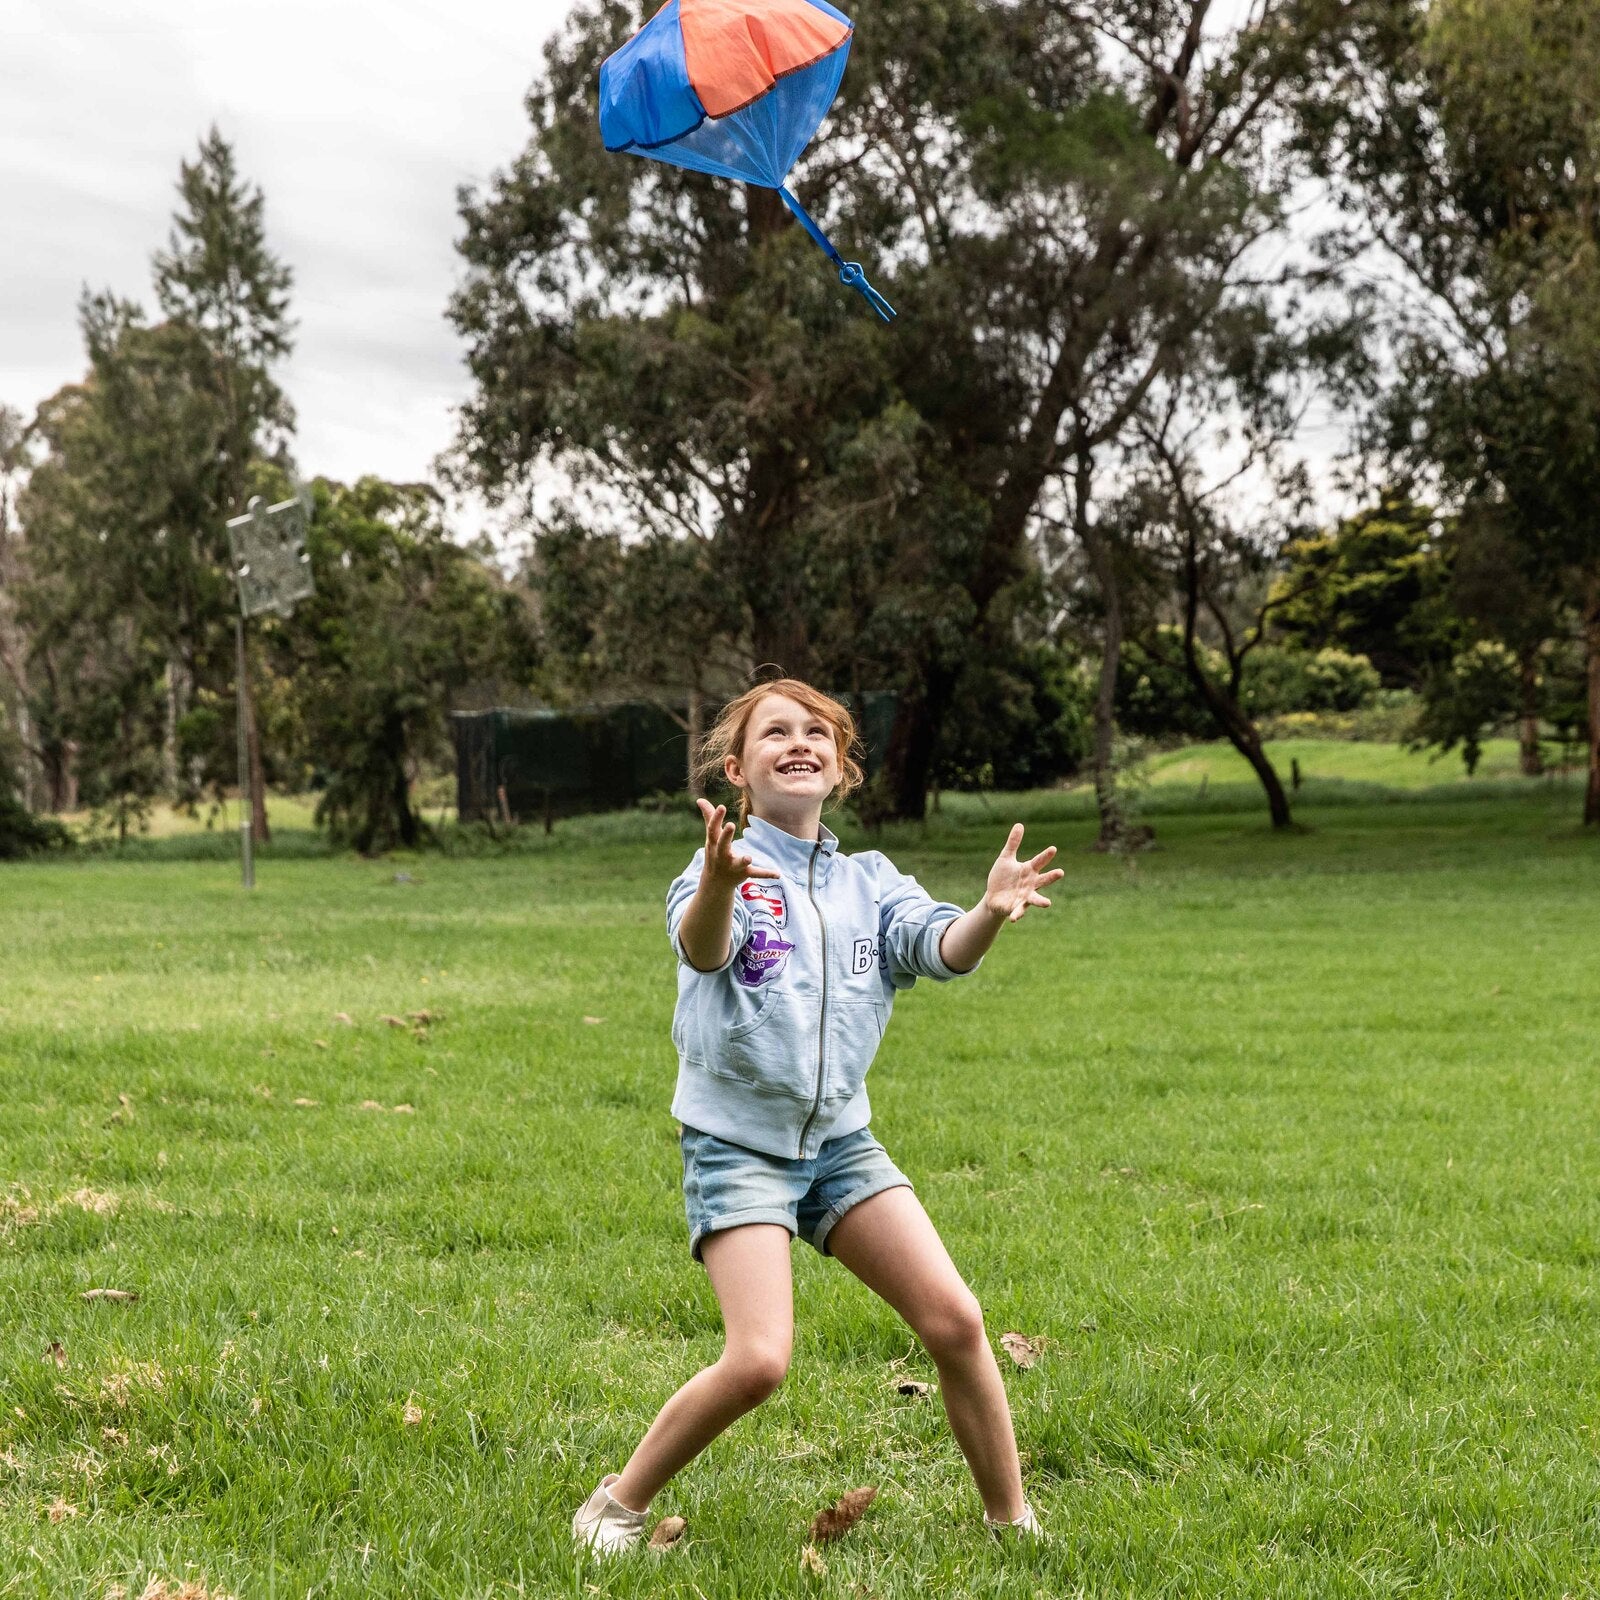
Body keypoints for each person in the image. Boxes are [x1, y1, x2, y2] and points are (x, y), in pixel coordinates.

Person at [572, 678, 1064, 1554]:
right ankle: (614, 1506)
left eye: (817, 734)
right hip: (739, 1147)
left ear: (840, 769)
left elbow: (938, 949)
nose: (798, 743)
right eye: (775, 733)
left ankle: (1012, 1525)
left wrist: (986, 913)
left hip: (839, 1144)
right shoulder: (715, 869)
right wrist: (723, 883)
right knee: (760, 1360)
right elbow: (702, 944)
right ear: (738, 769)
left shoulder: (870, 883)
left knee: (955, 1320)